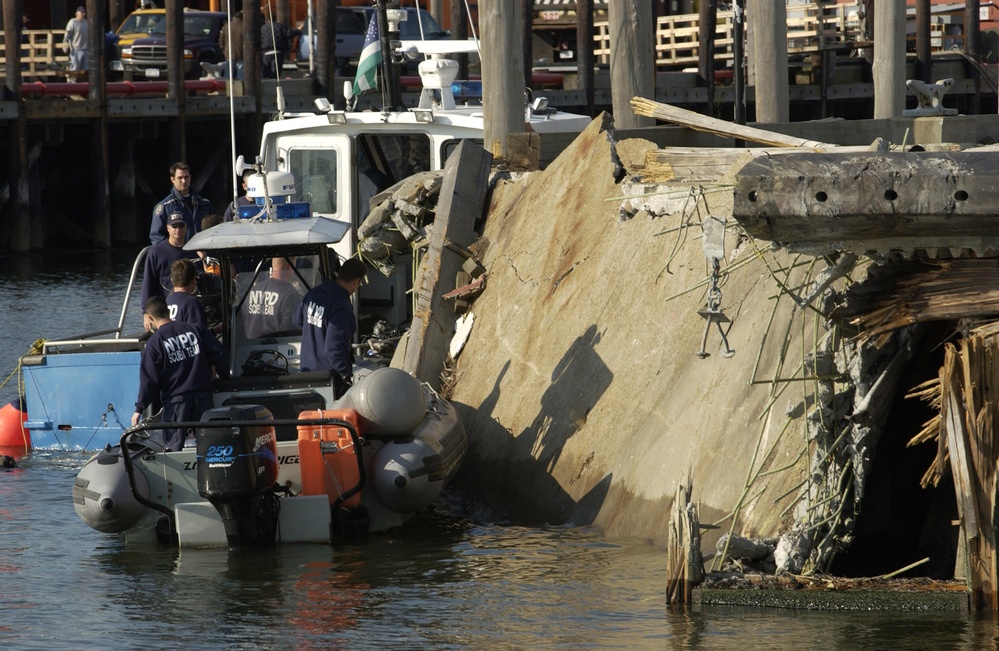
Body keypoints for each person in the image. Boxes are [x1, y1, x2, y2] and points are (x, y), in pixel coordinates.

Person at [132, 296, 228, 451]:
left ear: (150, 318)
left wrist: (139, 408)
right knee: (209, 445)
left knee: (174, 448)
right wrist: (225, 377)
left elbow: (149, 381)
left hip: (176, 402)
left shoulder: (155, 342)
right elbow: (219, 353)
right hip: (204, 397)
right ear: (168, 311)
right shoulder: (195, 329)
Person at [294, 258, 366, 397]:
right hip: (329, 380)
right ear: (356, 281)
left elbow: (298, 320)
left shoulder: (314, 294)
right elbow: (333, 348)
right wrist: (345, 374)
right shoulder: (341, 306)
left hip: (306, 373)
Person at [141, 213, 190, 331]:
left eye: (181, 225)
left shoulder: (192, 249)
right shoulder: (156, 252)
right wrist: (146, 313)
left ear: (186, 227)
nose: (178, 229)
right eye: (174, 226)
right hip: (164, 309)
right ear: (167, 228)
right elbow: (148, 282)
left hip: (187, 306)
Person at [150, 162, 213, 245]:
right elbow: (156, 236)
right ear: (172, 179)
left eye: (186, 177)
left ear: (190, 177)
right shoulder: (164, 207)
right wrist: (171, 252)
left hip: (202, 252)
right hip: (179, 255)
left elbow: (213, 229)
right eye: (180, 178)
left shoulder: (205, 203)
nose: (184, 181)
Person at [243, 257, 303, 339]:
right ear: (290, 267)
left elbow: (243, 321)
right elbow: (291, 335)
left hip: (249, 348)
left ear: (273, 266)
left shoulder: (252, 291)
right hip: (278, 348)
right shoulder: (291, 295)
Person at [166, 259, 208, 330]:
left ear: (172, 280)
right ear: (193, 280)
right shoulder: (192, 303)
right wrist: (215, 330)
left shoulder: (167, 301)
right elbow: (198, 334)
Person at [62, 7, 88, 81]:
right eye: (81, 12)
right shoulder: (73, 22)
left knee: (85, 70)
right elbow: (67, 35)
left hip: (86, 49)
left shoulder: (86, 23)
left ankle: (83, 87)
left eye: (84, 12)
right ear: (77, 14)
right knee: (74, 69)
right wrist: (65, 43)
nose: (83, 14)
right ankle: (72, 86)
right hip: (76, 50)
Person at [260, 15, 290, 79]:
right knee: (275, 75)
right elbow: (288, 34)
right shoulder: (280, 26)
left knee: (265, 73)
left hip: (266, 53)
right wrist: (298, 30)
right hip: (277, 52)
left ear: (267, 20)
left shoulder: (263, 27)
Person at [219, 9, 244, 80]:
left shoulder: (226, 27)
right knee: (240, 74)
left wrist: (223, 49)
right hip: (241, 53)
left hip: (228, 53)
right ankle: (240, 89)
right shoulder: (244, 26)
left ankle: (228, 89)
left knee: (228, 74)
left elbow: (221, 40)